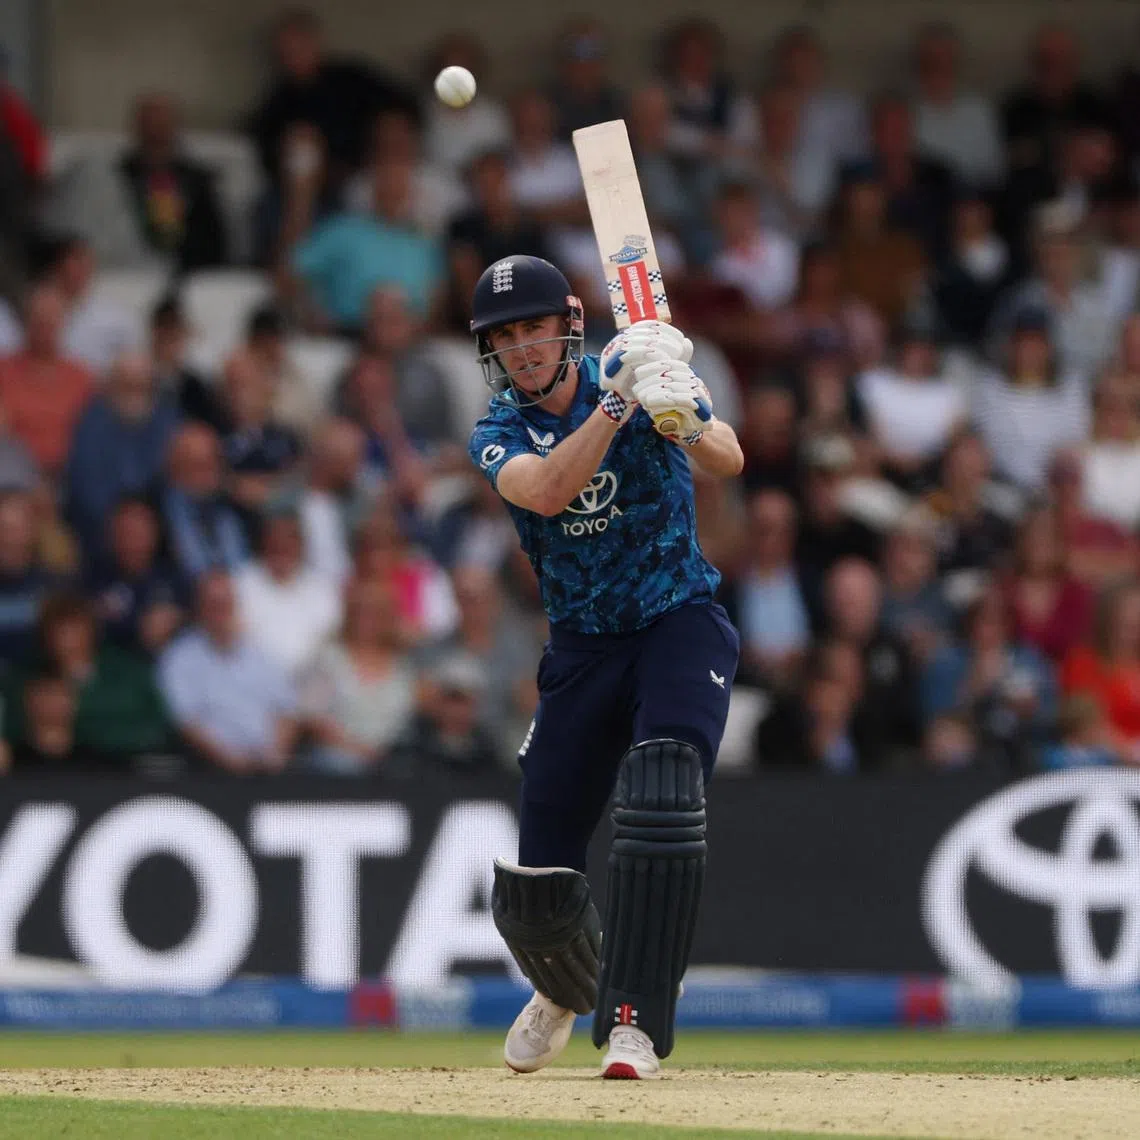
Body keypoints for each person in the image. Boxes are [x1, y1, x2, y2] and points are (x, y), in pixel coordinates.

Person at [466, 255, 742, 1079]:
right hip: (582, 649)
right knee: (536, 886)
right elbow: (549, 490)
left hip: (676, 623)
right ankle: (563, 987)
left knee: (662, 791)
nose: (522, 347)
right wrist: (620, 403)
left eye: (535, 327)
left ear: (570, 322)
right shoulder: (497, 431)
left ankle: (635, 1023)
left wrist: (679, 411)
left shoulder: (643, 369)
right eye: (505, 336)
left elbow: (727, 457)